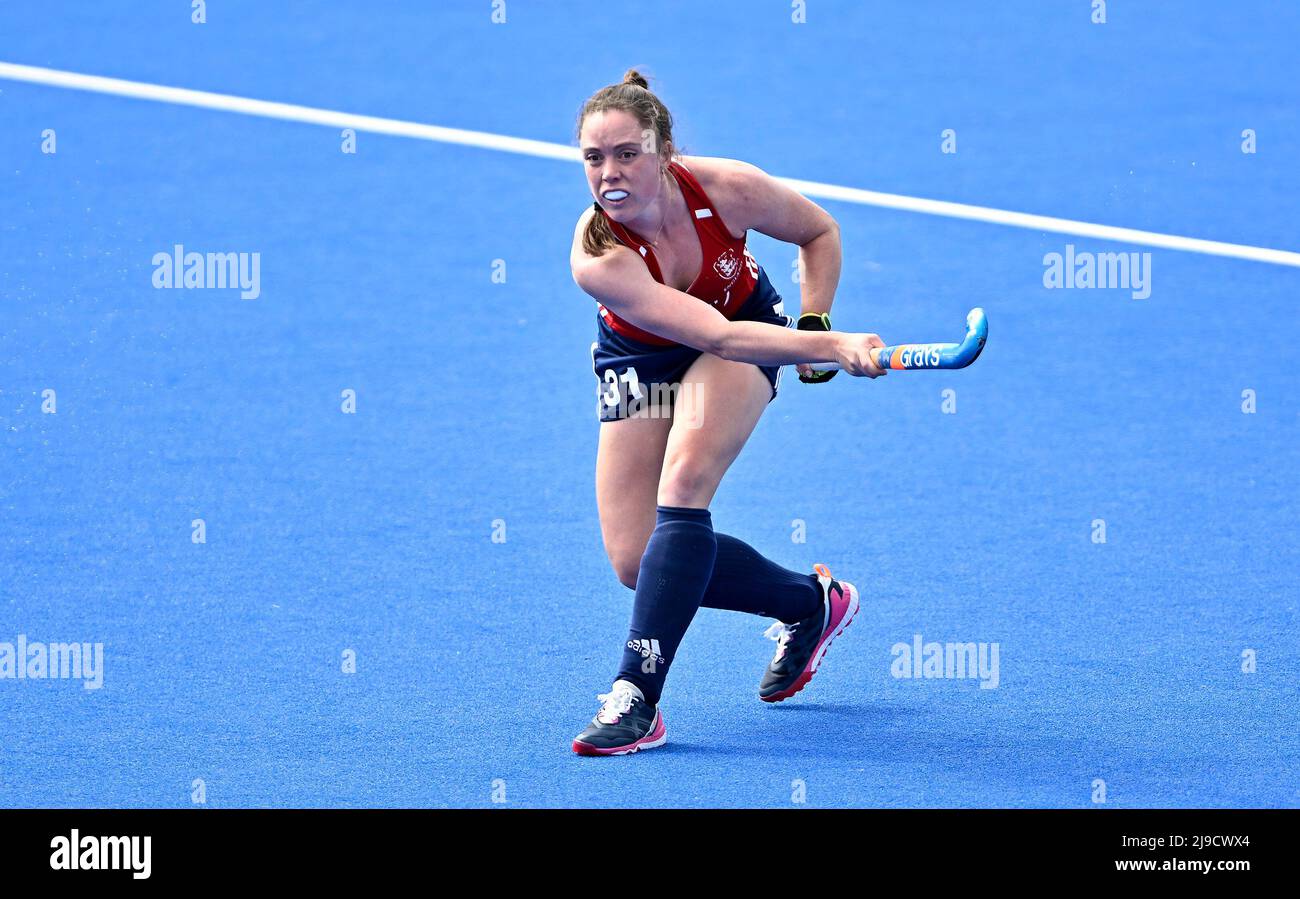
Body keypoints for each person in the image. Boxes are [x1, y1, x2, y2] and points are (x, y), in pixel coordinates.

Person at [569, 69, 887, 756]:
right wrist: (830, 345)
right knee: (635, 558)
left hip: (745, 327)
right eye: (594, 158)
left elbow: (819, 232)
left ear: (664, 154)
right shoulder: (598, 256)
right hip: (644, 360)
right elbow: (704, 335)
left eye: (627, 153)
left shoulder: (726, 188)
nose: (609, 172)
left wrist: (813, 319)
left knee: (683, 487)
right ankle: (811, 604)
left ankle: (637, 696)